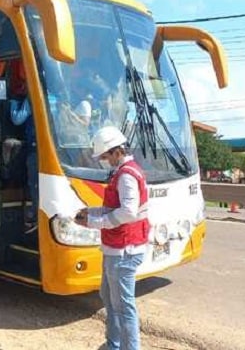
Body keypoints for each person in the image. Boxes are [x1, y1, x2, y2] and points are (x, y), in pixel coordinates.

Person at [74, 126, 149, 350]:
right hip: (115, 248)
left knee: (123, 307)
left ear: (117, 151)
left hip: (124, 250)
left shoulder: (126, 176)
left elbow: (128, 212)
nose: (103, 161)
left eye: (105, 157)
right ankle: (113, 345)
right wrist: (91, 212)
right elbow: (113, 208)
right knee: (108, 297)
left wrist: (93, 222)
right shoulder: (123, 172)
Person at [8, 71, 38, 232]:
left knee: (34, 183)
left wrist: (12, 102)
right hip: (50, 148)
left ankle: (36, 216)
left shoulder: (32, 98)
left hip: (34, 147)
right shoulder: (53, 96)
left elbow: (17, 119)